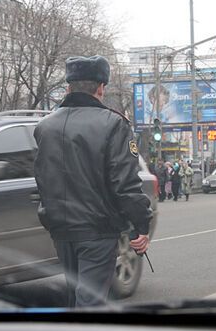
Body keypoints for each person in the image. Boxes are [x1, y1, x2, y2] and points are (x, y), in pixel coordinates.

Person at [33, 55, 153, 307]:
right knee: (90, 302)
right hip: (97, 230)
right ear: (101, 87)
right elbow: (125, 183)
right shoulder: (113, 124)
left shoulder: (44, 125)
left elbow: (42, 177)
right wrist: (140, 226)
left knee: (75, 295)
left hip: (60, 228)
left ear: (68, 87)